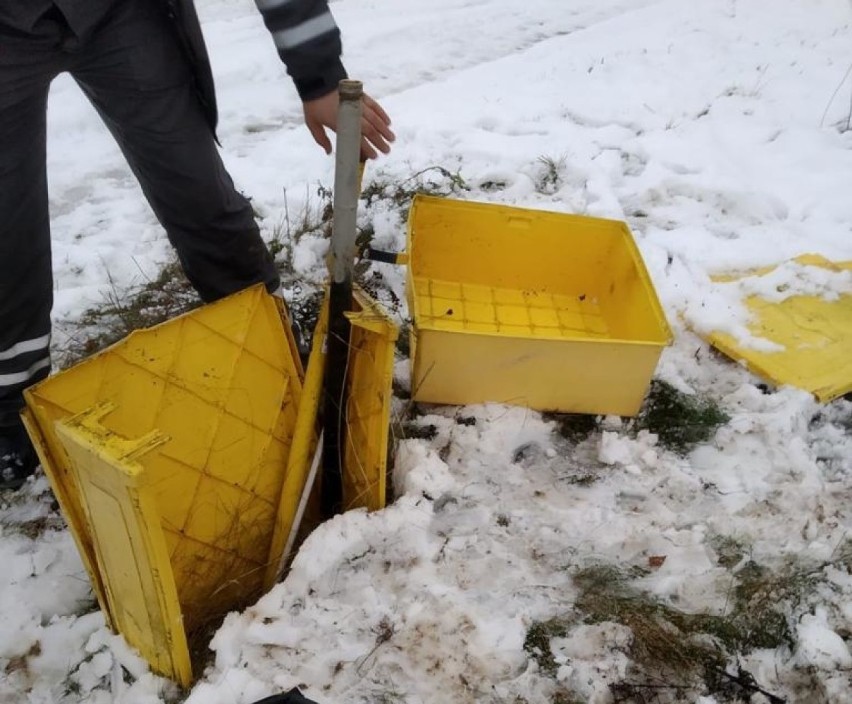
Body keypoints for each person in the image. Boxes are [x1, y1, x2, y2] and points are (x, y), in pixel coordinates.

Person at [0, 0, 395, 490]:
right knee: (7, 236)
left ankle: (272, 358)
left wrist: (318, 76)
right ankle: (8, 410)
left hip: (116, 15)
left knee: (200, 194)